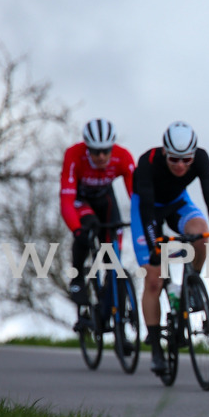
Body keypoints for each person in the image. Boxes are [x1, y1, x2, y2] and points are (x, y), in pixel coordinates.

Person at [131, 121, 209, 375]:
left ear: (193, 155)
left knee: (201, 233)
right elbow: (146, 211)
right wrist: (156, 247)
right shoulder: (147, 162)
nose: (180, 166)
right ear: (165, 152)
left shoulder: (201, 158)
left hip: (177, 203)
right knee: (154, 279)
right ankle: (155, 348)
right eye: (174, 159)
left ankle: (191, 283)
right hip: (147, 209)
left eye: (186, 160)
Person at [61, 118, 135, 306]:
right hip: (81, 200)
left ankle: (111, 288)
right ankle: (77, 279)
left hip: (105, 200)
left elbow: (136, 195)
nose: (101, 156)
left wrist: (142, 219)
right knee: (86, 228)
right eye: (95, 151)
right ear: (87, 148)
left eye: (106, 151)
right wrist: (76, 230)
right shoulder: (74, 155)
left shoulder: (123, 156)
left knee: (113, 251)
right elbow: (67, 200)